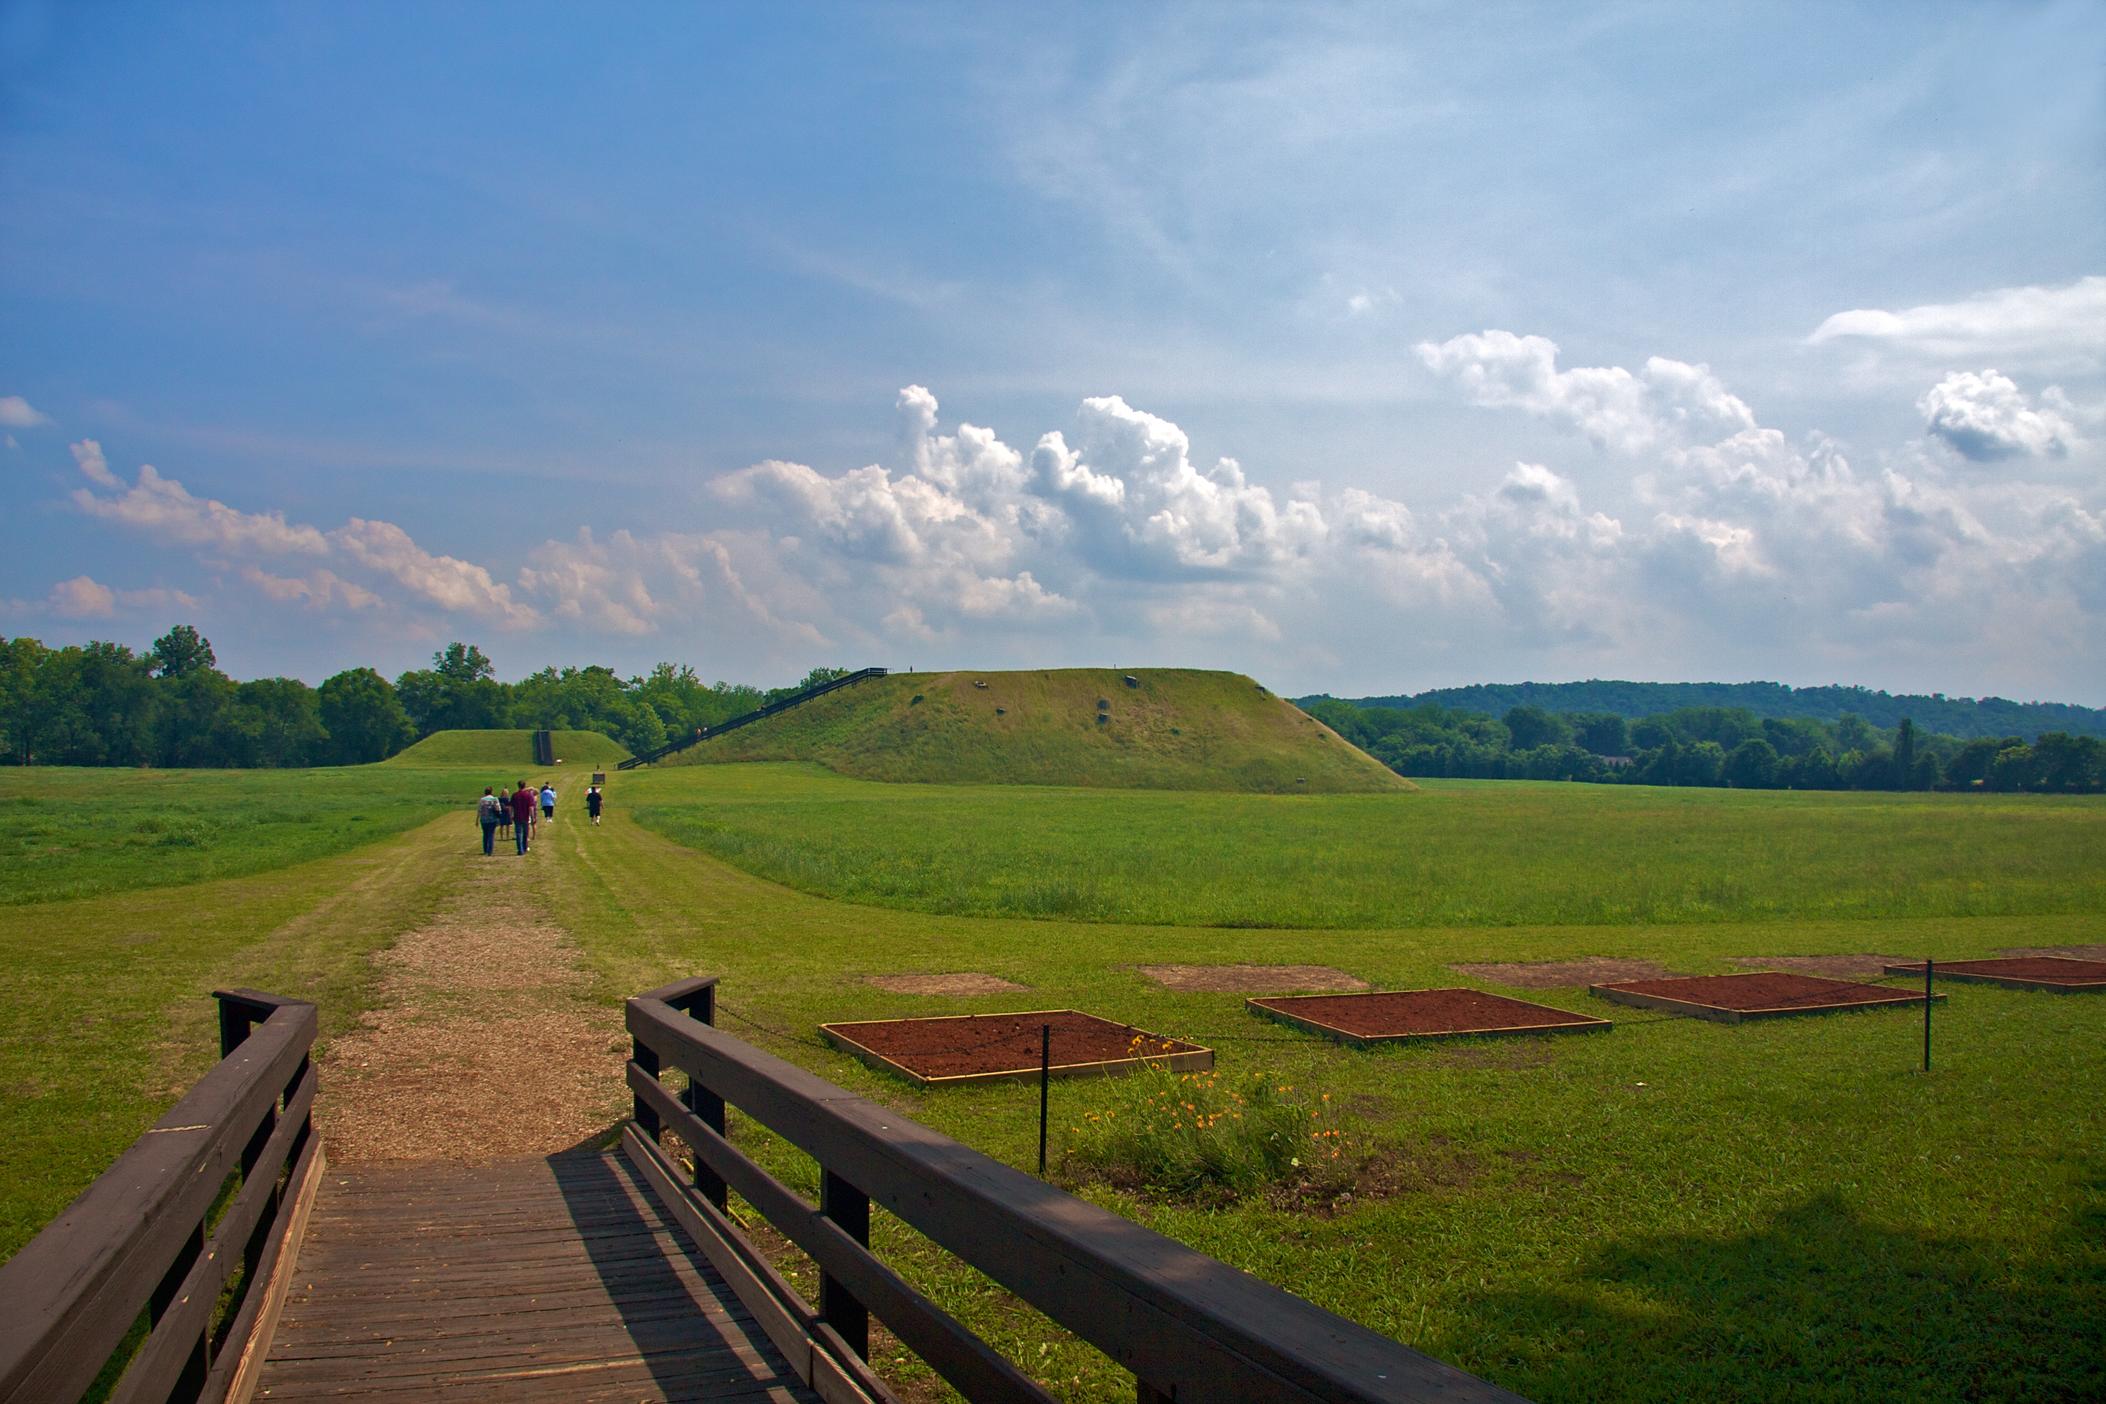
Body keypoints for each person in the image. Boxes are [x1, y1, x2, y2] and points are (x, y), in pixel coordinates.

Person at [510, 779, 536, 854]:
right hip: (525, 816)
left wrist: (511, 815)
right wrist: (533, 817)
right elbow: (531, 807)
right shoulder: (528, 795)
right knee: (525, 833)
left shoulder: (515, 795)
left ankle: (520, 849)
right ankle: (524, 847)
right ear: (525, 786)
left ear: (518, 786)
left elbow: (511, 807)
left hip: (517, 816)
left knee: (518, 833)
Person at [476, 786, 503, 856]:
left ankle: (485, 850)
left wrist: (477, 820)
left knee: (485, 835)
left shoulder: (482, 800)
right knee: (491, 834)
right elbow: (498, 809)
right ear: (491, 792)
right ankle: (490, 851)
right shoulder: (494, 799)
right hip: (492, 820)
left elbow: (479, 810)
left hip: (483, 820)